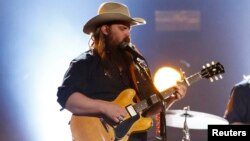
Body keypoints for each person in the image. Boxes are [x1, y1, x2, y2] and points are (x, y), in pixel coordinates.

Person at [56, 2, 187, 141]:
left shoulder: (137, 65)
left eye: (129, 29)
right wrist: (104, 107)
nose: (127, 34)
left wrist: (171, 98)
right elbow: (66, 98)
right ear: (106, 29)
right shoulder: (85, 62)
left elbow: (148, 111)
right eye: (122, 28)